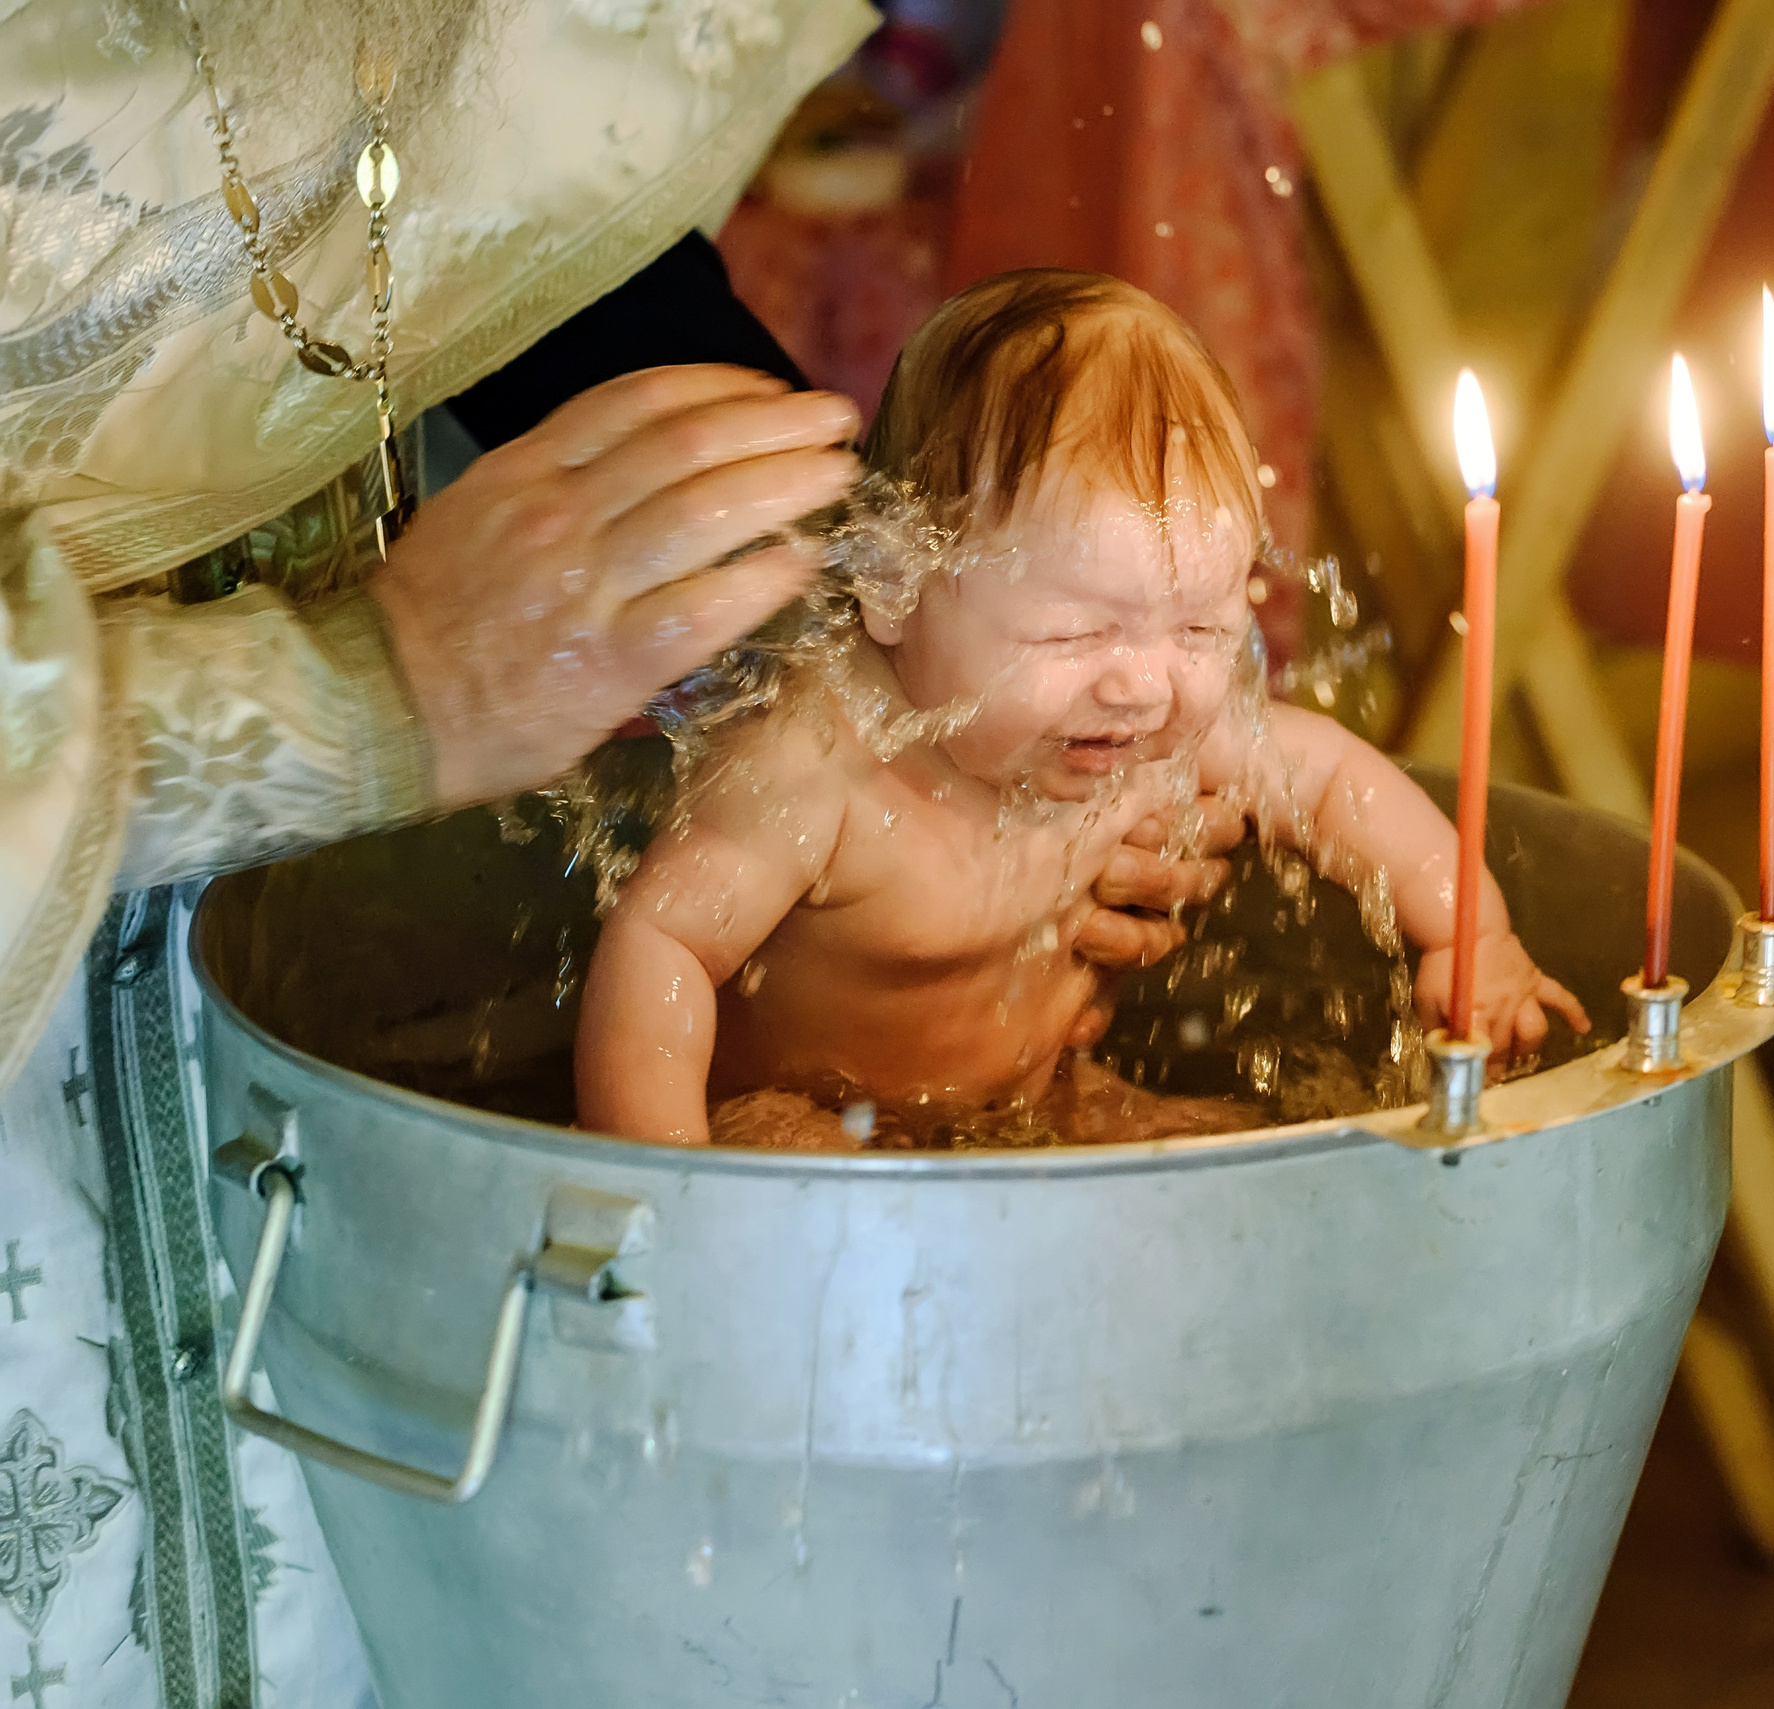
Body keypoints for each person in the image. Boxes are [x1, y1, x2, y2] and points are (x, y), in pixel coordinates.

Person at [0, 8, 1232, 1705]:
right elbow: (665, 953)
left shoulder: (883, 717)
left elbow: (399, 186)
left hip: (349, 889)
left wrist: (931, 636)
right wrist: (365, 693)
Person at [576, 271, 1588, 1149]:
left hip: (1038, 1099)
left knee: (1233, 1153)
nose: (1143, 686)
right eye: (1073, 636)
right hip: (796, 1113)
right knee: (797, 1179)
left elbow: (1331, 778)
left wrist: (1472, 940)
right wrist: (663, 1171)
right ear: (893, 581)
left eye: (1200, 629)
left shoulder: (1143, 734)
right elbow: (663, 943)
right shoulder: (817, 759)